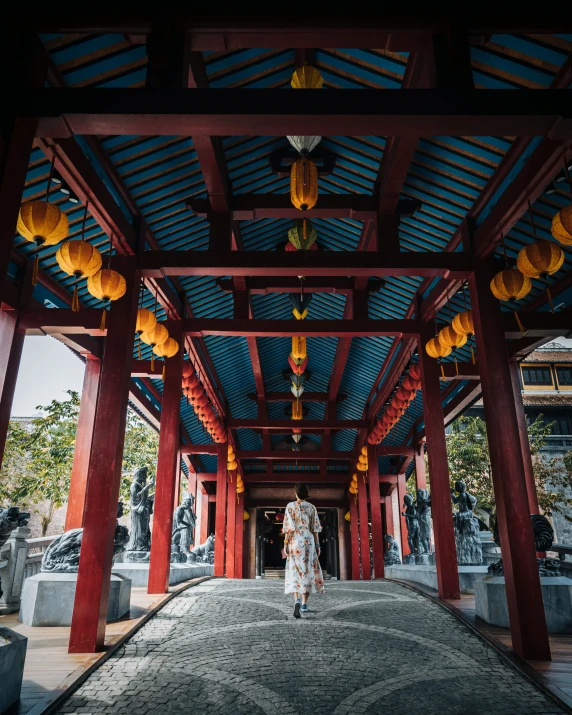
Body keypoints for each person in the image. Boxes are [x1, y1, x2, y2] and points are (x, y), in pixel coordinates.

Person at [281, 483, 325, 618]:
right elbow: (315, 529)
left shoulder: (290, 506)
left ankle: (297, 600)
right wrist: (317, 546)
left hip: (295, 541)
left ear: (295, 493)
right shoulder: (312, 508)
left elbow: (288, 529)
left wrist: (285, 544)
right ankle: (304, 605)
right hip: (308, 541)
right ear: (307, 493)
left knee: (295, 571)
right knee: (308, 571)